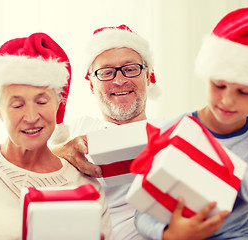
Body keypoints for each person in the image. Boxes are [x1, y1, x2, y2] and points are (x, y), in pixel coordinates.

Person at [134, 7, 248, 239]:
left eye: (243, 92)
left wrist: (229, 174)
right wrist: (167, 234)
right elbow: (142, 211)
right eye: (219, 85)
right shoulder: (175, 131)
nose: (227, 100)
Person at [52, 25, 229, 240]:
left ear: (149, 76)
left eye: (130, 68)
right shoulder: (74, 131)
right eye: (106, 72)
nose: (119, 80)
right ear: (91, 85)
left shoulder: (177, 131)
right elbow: (24, 166)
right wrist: (61, 152)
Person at [0, 32, 112, 240]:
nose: (32, 117)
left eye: (42, 102)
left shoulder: (85, 187)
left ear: (58, 105)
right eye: (17, 105)